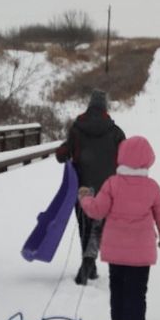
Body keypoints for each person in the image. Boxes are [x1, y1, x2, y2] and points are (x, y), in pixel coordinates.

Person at [78, 135, 160, 320]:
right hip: (141, 251)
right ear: (148, 160)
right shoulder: (152, 187)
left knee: (118, 286)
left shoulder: (112, 184)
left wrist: (85, 198)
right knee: (137, 290)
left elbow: (97, 210)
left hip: (116, 250)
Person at [54, 89, 125, 284]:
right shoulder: (115, 131)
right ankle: (88, 265)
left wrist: (62, 150)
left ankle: (89, 266)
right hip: (107, 188)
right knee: (98, 228)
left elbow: (63, 154)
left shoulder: (77, 128)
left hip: (82, 186)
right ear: (105, 107)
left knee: (85, 226)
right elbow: (126, 157)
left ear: (89, 105)